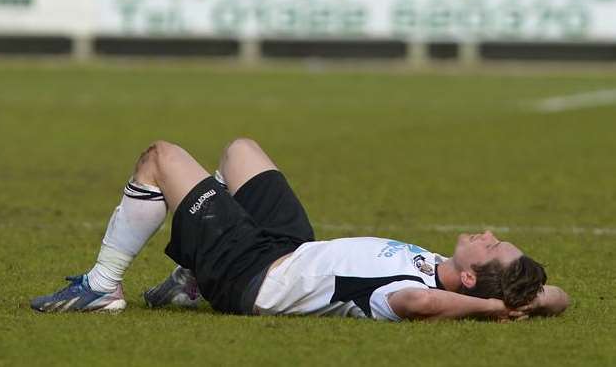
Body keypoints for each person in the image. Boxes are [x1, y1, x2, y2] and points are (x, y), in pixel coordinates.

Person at [30, 139, 569, 321]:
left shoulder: (413, 295)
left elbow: (421, 308)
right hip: (291, 248)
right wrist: (523, 301)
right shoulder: (450, 272)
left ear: (473, 281)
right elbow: (558, 296)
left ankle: (102, 286)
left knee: (160, 157)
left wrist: (494, 309)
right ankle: (189, 278)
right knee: (241, 150)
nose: (487, 233)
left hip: (251, 275)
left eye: (492, 246)